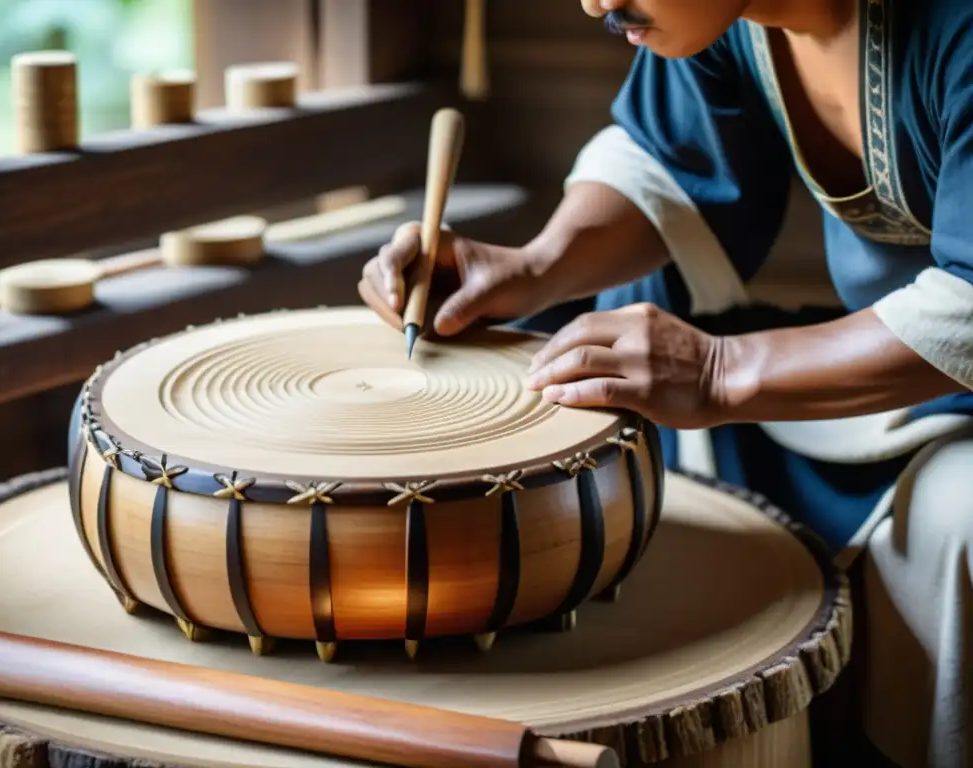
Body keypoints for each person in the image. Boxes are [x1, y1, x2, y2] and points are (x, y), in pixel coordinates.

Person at [358, 0, 973, 765]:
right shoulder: (734, 15)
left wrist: (721, 372)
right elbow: (666, 166)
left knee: (961, 508)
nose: (594, 3)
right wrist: (531, 267)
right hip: (914, 378)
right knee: (634, 347)